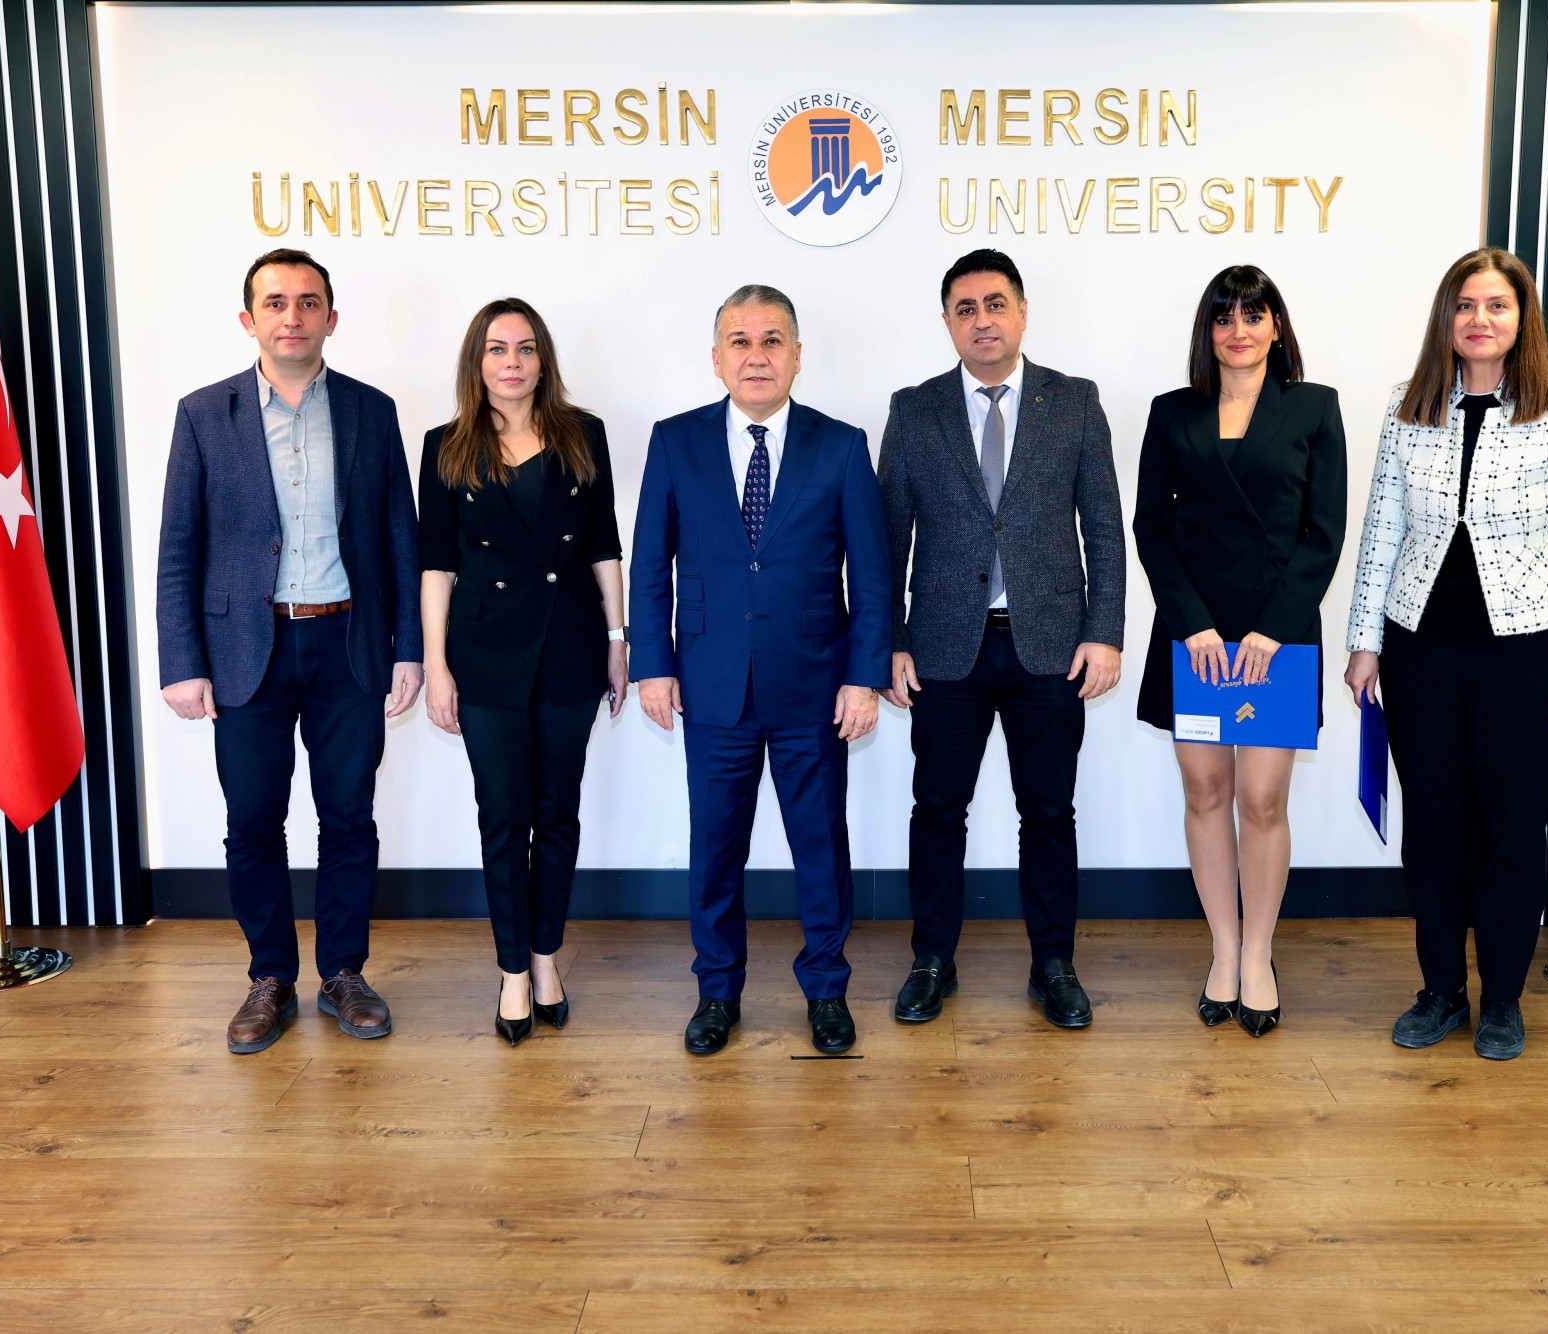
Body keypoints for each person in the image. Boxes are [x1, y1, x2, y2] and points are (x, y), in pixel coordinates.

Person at [1344, 246, 1548, 1061]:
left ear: (1522, 317)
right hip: (1419, 648)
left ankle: (1501, 998)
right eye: (1465, 305)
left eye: (1496, 305)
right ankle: (1439, 991)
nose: (1479, 319)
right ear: (1446, 318)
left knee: (1512, 830)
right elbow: (1382, 529)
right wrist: (1363, 643)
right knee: (1433, 826)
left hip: (1524, 652)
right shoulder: (1410, 404)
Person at [157, 248, 423, 1054]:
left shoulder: (372, 411)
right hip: (247, 650)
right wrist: (182, 661)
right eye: (275, 303)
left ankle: (343, 972)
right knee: (252, 820)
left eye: (308, 302)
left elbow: (400, 540)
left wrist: (409, 647)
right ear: (249, 320)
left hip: (349, 644)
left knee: (348, 818)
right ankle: (269, 978)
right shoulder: (204, 414)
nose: (292, 316)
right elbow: (179, 546)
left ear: (331, 319)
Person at [629, 284, 892, 1056]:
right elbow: (650, 564)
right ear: (716, 359)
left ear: (797, 356)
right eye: (740, 342)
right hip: (710, 684)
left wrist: (863, 676)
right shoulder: (675, 442)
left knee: (821, 847)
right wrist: (653, 666)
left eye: (772, 341)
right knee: (715, 848)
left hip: (816, 686)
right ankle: (717, 991)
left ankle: (827, 990)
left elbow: (872, 576)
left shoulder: (841, 446)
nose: (756, 356)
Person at [878, 248, 1127, 1030]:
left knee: (1048, 811)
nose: (981, 321)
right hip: (943, 648)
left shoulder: (1074, 402)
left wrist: (1105, 633)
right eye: (965, 308)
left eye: (995, 304)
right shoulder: (914, 410)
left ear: (1021, 312)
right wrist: (889, 640)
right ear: (947, 322)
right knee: (936, 809)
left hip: (1050, 646)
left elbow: (1104, 528)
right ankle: (932, 960)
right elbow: (887, 540)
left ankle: (1054, 964)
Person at [1131, 265, 1346, 1037]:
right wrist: (1191, 624)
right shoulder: (1172, 412)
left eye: (1254, 316)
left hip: (1276, 634)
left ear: (1276, 328)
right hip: (1195, 634)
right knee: (1204, 792)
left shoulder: (1314, 407)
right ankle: (1223, 950)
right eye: (1224, 318)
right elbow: (1151, 528)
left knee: (1261, 799)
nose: (1239, 330)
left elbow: (1324, 531)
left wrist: (1273, 628)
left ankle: (1259, 954)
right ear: (1208, 332)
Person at [417, 297, 627, 1047]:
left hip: (571, 647)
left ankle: (545, 959)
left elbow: (604, 544)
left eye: (526, 348)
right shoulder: (445, 446)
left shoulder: (583, 435)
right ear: (477, 362)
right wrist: (436, 664)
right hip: (484, 657)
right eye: (498, 348)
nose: (513, 362)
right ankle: (511, 968)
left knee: (557, 814)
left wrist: (617, 639)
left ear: (544, 361)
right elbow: (436, 564)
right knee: (503, 819)